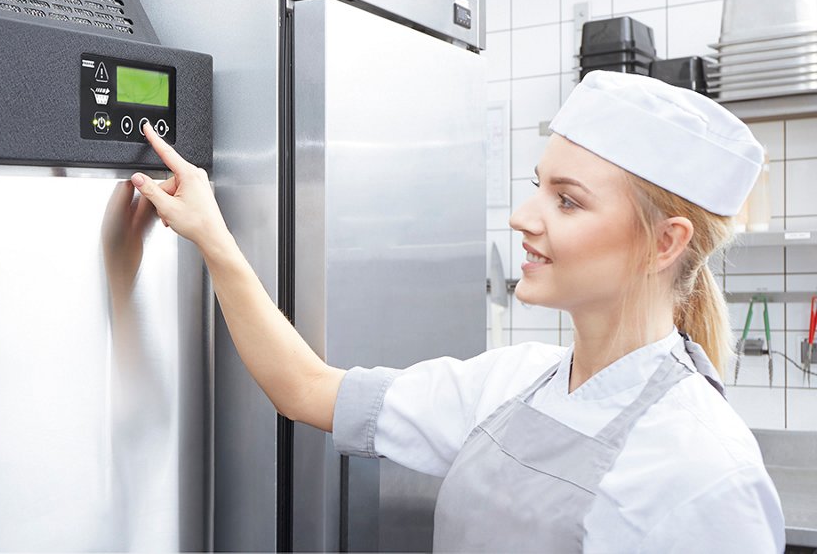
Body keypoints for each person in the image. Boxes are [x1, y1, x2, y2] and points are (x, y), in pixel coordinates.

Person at [128, 70, 785, 553]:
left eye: (568, 200)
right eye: (538, 187)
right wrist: (214, 239)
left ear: (664, 243)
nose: (524, 217)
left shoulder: (703, 471)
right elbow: (302, 388)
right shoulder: (509, 386)